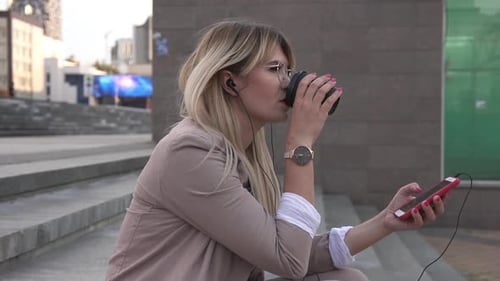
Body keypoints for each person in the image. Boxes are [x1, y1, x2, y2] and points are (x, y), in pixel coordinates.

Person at [105, 19, 446, 281]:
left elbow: (289, 249)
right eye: (274, 70)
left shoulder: (246, 152)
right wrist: (300, 145)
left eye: (288, 70)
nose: (288, 83)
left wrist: (385, 222)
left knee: (345, 279)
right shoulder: (191, 152)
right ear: (230, 82)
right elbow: (289, 261)